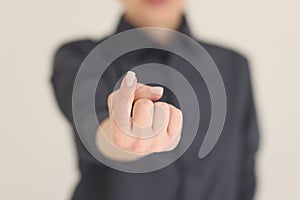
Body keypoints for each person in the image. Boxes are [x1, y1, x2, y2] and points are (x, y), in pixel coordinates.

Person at [51, 0, 259, 199]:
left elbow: (244, 172)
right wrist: (120, 137)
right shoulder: (83, 58)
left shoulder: (233, 66)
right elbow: (92, 126)